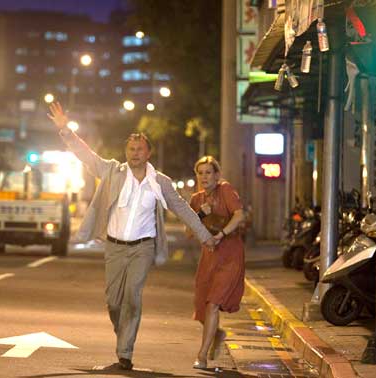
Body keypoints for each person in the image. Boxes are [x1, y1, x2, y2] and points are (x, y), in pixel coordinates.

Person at [47, 102, 216, 371]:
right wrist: (65, 130)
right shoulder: (113, 171)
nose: (135, 153)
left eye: (139, 149)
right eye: (131, 149)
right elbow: (86, 155)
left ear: (149, 153)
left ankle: (125, 352)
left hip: (142, 248)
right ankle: (123, 332)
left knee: (132, 297)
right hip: (114, 247)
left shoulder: (160, 182)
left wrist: (205, 235)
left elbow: (182, 207)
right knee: (114, 302)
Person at [189, 156, 245, 369]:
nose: (204, 176)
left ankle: (202, 356)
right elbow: (188, 230)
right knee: (201, 307)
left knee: (213, 303)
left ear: (217, 175)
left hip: (230, 254)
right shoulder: (196, 199)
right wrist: (201, 213)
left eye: (208, 172)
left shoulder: (226, 190)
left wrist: (220, 234)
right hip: (209, 256)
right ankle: (217, 333)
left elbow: (239, 216)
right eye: (200, 172)